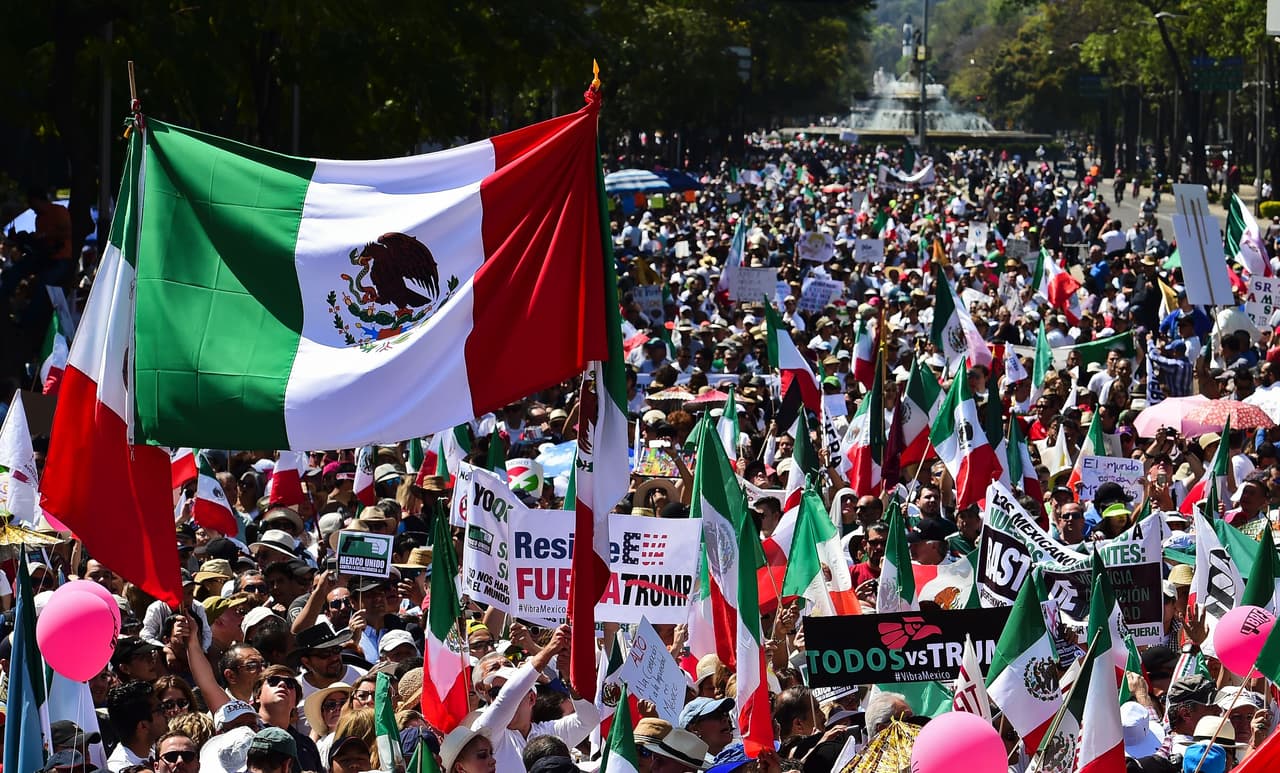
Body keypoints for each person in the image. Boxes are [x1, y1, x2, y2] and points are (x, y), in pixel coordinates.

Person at [470, 625, 598, 771]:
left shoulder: (548, 733)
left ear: (531, 698)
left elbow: (589, 720)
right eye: (495, 693)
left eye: (519, 691)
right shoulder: (486, 733)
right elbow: (508, 697)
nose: (501, 698)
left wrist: (569, 678)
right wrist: (549, 650)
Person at [106, 681, 168, 772]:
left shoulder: (157, 754)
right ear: (143, 726)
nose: (166, 713)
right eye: (159, 709)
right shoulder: (117, 770)